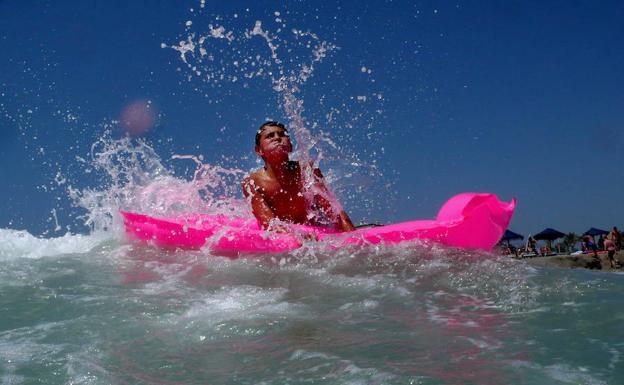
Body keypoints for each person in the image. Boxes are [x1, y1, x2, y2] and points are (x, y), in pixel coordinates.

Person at [242, 121, 355, 232]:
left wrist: (353, 239)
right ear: (259, 150)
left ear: (290, 146)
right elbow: (270, 225)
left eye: (282, 135)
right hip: (282, 243)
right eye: (270, 136)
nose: (277, 138)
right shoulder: (252, 183)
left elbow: (335, 213)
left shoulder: (307, 171)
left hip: (315, 232)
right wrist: (299, 234)